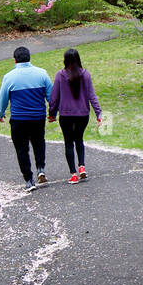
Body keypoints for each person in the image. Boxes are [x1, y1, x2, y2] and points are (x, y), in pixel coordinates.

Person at [0, 46, 53, 190]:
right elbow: (51, 96)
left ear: (14, 60)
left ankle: (29, 179)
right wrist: (52, 112)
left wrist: (1, 113)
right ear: (29, 57)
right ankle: (41, 168)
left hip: (18, 118)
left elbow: (3, 98)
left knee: (21, 149)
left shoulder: (9, 77)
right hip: (38, 117)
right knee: (39, 142)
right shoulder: (42, 73)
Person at [48, 47, 102, 184]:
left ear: (65, 60)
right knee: (79, 139)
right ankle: (82, 166)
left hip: (65, 115)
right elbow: (92, 96)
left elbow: (54, 97)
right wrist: (98, 113)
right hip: (83, 114)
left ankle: (73, 174)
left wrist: (52, 113)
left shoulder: (60, 75)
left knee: (68, 142)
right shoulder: (86, 74)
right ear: (78, 59)